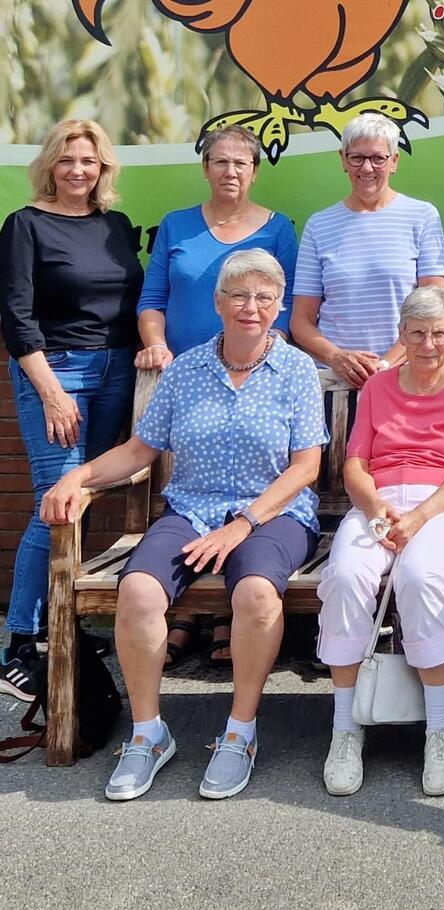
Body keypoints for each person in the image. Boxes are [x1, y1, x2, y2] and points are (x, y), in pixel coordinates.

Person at [41, 250, 327, 801]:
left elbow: (306, 467)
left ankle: (239, 732)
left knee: (257, 596)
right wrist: (77, 477)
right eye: (239, 295)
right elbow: (140, 449)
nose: (251, 307)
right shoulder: (187, 370)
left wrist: (243, 524)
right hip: (191, 510)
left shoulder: (293, 370)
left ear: (278, 307)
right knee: (140, 592)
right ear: (218, 303)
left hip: (274, 514)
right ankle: (148, 734)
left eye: (264, 297)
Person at [136, 124, 300, 670]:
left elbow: (288, 305)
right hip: (189, 381)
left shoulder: (278, 230)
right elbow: (152, 297)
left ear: (255, 171)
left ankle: (226, 616)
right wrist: (157, 347)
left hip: (249, 379)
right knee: (196, 490)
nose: (230, 171)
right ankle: (185, 615)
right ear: (205, 167)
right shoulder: (177, 226)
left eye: (241, 163)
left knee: (240, 482)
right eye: (220, 161)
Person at [317, 288, 444, 795]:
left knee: (419, 577)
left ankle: (442, 725)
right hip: (378, 502)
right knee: (347, 576)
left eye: (440, 333)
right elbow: (355, 464)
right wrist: (376, 510)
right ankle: (345, 727)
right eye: (418, 333)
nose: (429, 343)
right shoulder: (377, 389)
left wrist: (417, 517)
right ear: (403, 335)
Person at [0, 120, 140, 696]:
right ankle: (20, 643)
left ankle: (63, 621)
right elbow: (15, 315)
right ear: (50, 166)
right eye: (68, 161)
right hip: (56, 372)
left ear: (103, 168)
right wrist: (51, 391)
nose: (78, 171)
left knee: (85, 495)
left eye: (90, 161)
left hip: (116, 370)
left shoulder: (115, 226)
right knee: (55, 502)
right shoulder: (25, 226)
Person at [291, 113, 444, 388]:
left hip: (404, 379)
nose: (367, 168)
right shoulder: (319, 226)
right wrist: (337, 357)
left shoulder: (422, 217)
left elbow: (435, 309)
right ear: (343, 159)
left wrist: (386, 365)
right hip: (334, 383)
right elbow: (301, 321)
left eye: (378, 158)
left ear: (394, 162)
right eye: (357, 158)